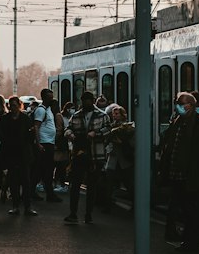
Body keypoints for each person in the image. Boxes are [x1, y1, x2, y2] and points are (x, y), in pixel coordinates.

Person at [157, 89, 199, 253]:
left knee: (192, 210)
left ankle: (191, 243)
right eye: (178, 105)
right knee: (186, 211)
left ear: (191, 106)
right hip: (177, 175)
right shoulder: (177, 122)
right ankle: (190, 242)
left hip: (192, 175)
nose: (178, 107)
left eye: (181, 105)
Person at [63, 89, 107, 226]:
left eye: (88, 101)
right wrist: (70, 134)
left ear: (93, 102)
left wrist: (96, 134)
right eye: (84, 102)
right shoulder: (75, 116)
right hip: (79, 154)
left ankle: (88, 215)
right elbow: (67, 129)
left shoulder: (103, 115)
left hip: (95, 154)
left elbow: (108, 130)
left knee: (91, 186)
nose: (86, 104)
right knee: (75, 185)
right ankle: (73, 213)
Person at [0, 95, 37, 216]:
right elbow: (3, 136)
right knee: (13, 181)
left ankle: (27, 206)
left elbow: (30, 137)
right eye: (11, 106)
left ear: (19, 105)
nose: (13, 108)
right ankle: (15, 206)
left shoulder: (25, 119)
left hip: (23, 154)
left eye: (15, 105)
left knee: (26, 181)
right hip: (11, 154)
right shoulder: (6, 119)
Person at [30, 88, 63, 202]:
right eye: (49, 97)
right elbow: (36, 127)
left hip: (49, 142)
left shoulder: (48, 109)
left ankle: (46, 192)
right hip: (44, 143)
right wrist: (38, 144)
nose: (51, 99)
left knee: (45, 169)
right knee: (42, 169)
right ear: (44, 98)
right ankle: (38, 192)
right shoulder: (41, 110)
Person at [104, 102, 135, 207]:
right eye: (114, 114)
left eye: (117, 114)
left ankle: (135, 204)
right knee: (108, 182)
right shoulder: (111, 126)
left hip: (123, 158)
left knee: (129, 183)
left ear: (122, 115)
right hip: (113, 157)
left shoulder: (128, 126)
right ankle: (107, 204)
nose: (115, 116)